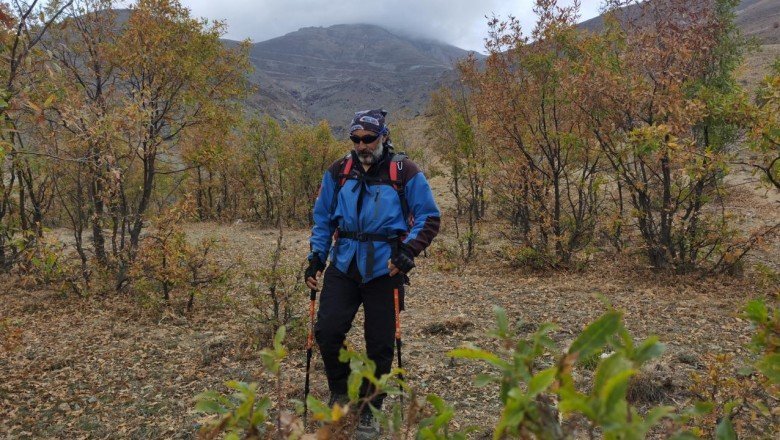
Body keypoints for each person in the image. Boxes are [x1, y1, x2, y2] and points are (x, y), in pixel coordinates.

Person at [305, 109, 440, 439]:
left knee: (379, 345)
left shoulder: (404, 172)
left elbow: (428, 217)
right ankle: (339, 390)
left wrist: (408, 251)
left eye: (369, 139)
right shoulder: (339, 171)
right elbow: (324, 218)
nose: (362, 146)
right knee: (328, 330)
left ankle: (370, 409)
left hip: (385, 267)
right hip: (344, 263)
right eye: (356, 139)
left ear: (384, 137)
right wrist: (316, 257)